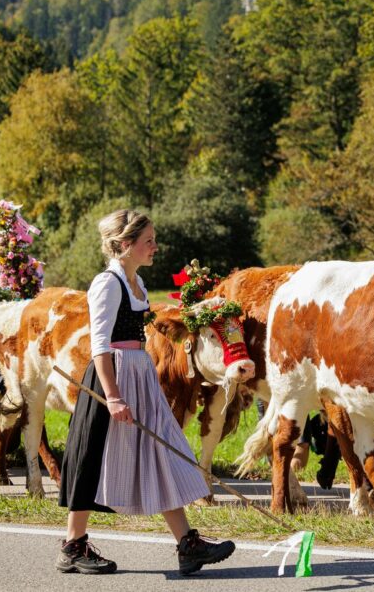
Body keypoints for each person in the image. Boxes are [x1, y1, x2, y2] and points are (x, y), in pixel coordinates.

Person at [57, 209, 235, 575]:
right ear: (125, 245)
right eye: (148, 240)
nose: (155, 246)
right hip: (116, 376)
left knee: (160, 449)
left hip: (140, 373)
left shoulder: (135, 283)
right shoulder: (107, 283)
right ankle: (73, 545)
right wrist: (114, 396)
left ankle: (188, 544)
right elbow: (101, 346)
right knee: (93, 455)